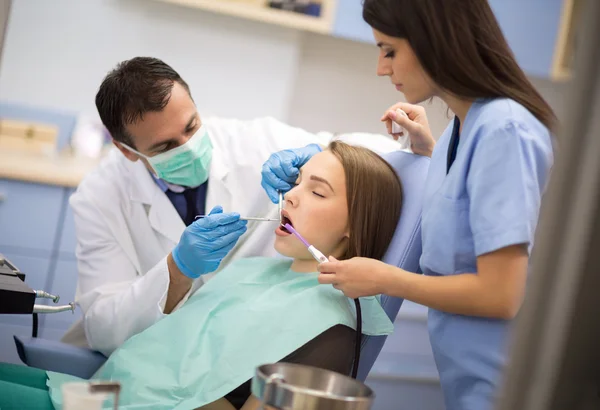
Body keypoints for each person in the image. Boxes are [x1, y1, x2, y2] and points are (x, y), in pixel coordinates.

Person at [260, 1, 556, 409]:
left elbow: (502, 294)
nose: (382, 68)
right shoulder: (463, 126)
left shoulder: (505, 129)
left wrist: (386, 279)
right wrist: (429, 153)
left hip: (499, 383)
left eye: (390, 51)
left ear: (433, 40)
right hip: (463, 377)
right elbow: (464, 207)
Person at [0, 142, 402, 410]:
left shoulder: (329, 326)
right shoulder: (256, 271)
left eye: (317, 191)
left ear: (357, 224)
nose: (291, 195)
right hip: (101, 393)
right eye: (296, 182)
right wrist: (180, 269)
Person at [60, 57, 328, 354]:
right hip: (153, 354)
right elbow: (103, 327)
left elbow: (371, 152)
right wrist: (177, 270)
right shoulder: (99, 197)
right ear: (127, 151)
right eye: (165, 147)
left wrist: (319, 157)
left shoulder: (253, 141)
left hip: (237, 348)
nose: (188, 146)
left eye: (192, 127)